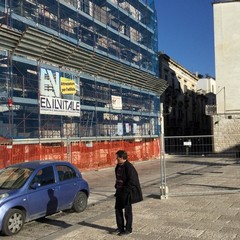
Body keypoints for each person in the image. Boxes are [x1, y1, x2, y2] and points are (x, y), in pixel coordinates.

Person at [114, 150, 143, 236]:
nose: (116, 159)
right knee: (118, 210)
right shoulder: (118, 166)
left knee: (127, 211)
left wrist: (125, 190)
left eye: (117, 157)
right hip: (119, 191)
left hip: (126, 193)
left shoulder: (129, 167)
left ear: (122, 158)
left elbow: (133, 181)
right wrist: (117, 185)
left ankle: (128, 229)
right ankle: (120, 227)